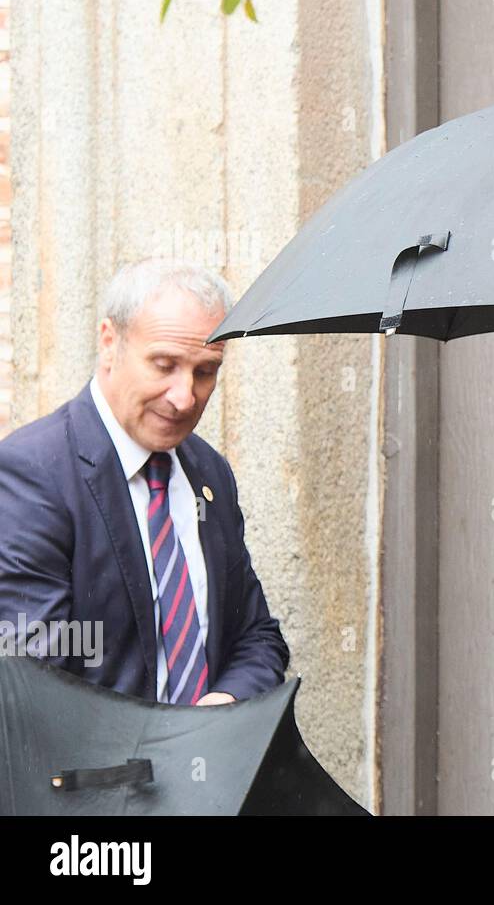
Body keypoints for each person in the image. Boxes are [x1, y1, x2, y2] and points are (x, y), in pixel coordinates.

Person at [0, 261, 289, 704]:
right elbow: (35, 679)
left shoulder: (209, 473)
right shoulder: (32, 473)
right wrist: (165, 742)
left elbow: (257, 636)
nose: (184, 396)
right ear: (109, 343)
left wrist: (225, 703)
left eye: (206, 371)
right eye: (164, 365)